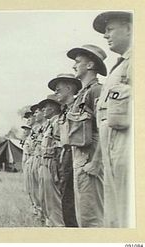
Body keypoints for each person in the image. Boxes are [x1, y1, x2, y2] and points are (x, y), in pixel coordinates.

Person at [93, 11, 133, 227]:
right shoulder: (120, 66)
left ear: (128, 28)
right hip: (113, 149)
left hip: (128, 149)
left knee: (128, 214)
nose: (106, 35)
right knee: (116, 215)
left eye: (110, 30)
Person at [65, 45, 107, 227]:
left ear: (90, 65)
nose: (74, 66)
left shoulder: (96, 91)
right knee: (83, 216)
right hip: (80, 160)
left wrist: (96, 162)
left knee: (92, 219)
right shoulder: (82, 94)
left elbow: (105, 129)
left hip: (90, 160)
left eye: (77, 62)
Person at [48, 73, 82, 227]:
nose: (56, 92)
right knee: (66, 200)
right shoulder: (64, 112)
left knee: (75, 202)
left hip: (76, 155)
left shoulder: (79, 107)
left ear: (69, 88)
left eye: (58, 89)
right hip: (65, 156)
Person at [36, 94, 64, 227]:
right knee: (45, 198)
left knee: (53, 200)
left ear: (53, 108)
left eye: (45, 107)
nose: (43, 110)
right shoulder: (49, 124)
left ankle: (58, 227)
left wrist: (56, 168)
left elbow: (60, 146)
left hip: (52, 163)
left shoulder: (58, 123)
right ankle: (50, 224)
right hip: (44, 162)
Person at [28, 104, 45, 219]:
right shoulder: (36, 129)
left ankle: (43, 214)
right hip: (33, 158)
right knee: (32, 188)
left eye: (36, 112)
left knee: (41, 189)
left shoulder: (46, 126)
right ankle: (37, 211)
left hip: (41, 159)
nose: (34, 115)